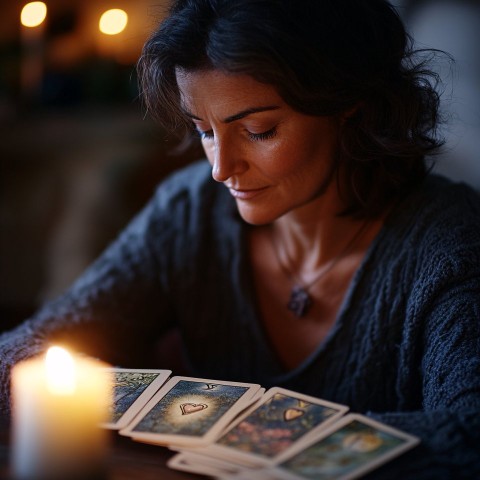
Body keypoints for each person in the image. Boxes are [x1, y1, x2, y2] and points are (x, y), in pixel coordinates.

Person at [1, 0, 479, 477]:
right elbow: (20, 354)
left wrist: (247, 433)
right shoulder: (190, 211)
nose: (220, 169)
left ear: (352, 110)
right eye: (204, 130)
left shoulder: (451, 245)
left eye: (258, 130)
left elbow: (469, 438)